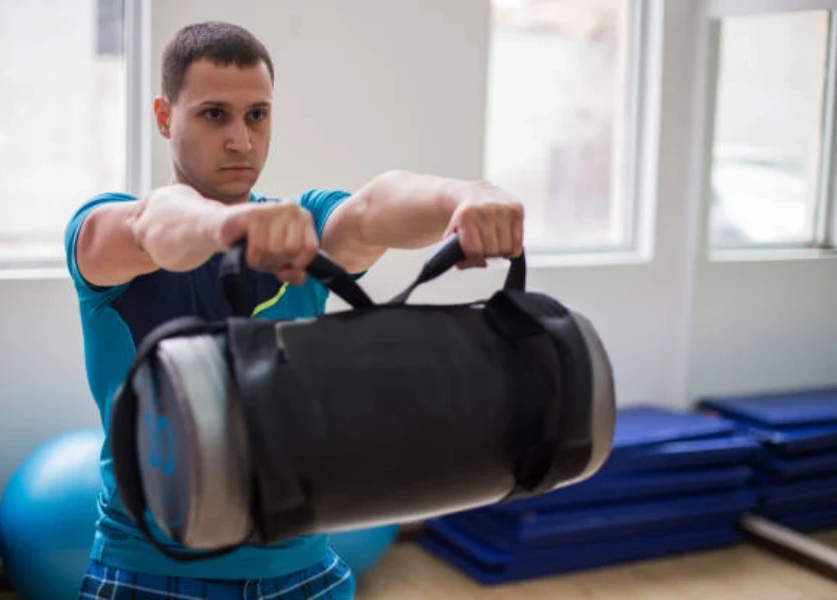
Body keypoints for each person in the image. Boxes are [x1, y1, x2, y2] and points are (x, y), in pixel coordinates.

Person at [67, 20, 525, 600]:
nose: (241, 139)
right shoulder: (105, 229)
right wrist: (224, 225)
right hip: (153, 575)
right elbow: (157, 223)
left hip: (304, 570)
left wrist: (467, 197)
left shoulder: (297, 227)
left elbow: (374, 207)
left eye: (256, 115)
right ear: (164, 117)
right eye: (215, 115)